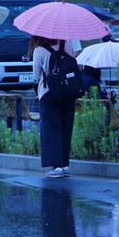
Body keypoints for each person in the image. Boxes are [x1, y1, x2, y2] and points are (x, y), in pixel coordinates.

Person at [30, 35, 76, 178]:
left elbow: (37, 76)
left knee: (51, 128)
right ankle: (65, 165)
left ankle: (56, 167)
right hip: (68, 92)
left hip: (49, 93)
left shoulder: (39, 50)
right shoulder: (68, 45)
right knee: (65, 127)